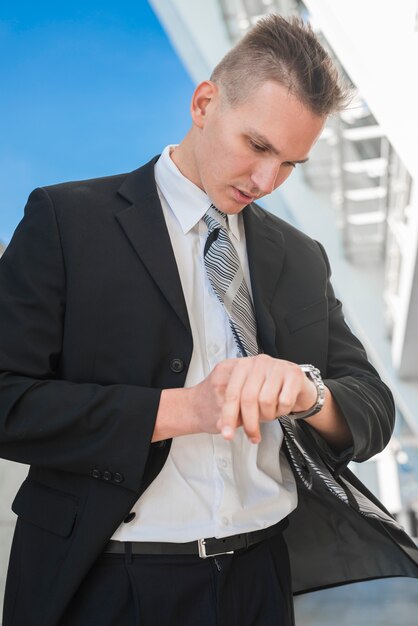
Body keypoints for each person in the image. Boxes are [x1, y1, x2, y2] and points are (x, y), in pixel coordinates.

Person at [1, 14, 417, 626]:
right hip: (109, 582)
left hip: (258, 580)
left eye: (291, 165)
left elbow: (374, 408)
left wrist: (307, 390)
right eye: (258, 146)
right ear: (204, 103)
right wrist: (183, 411)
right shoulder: (67, 222)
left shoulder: (300, 257)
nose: (266, 181)